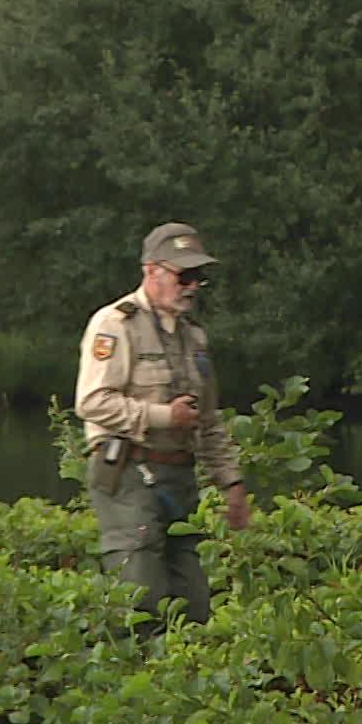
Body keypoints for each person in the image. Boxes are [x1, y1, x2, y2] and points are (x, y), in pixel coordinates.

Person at [75, 222, 251, 625]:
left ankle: (187, 679)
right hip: (127, 472)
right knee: (142, 600)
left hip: (179, 478)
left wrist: (232, 484)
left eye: (198, 277)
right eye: (183, 275)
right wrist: (162, 415)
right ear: (152, 270)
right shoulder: (115, 324)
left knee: (195, 605)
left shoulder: (194, 338)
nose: (191, 286)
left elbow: (207, 421)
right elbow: (92, 402)